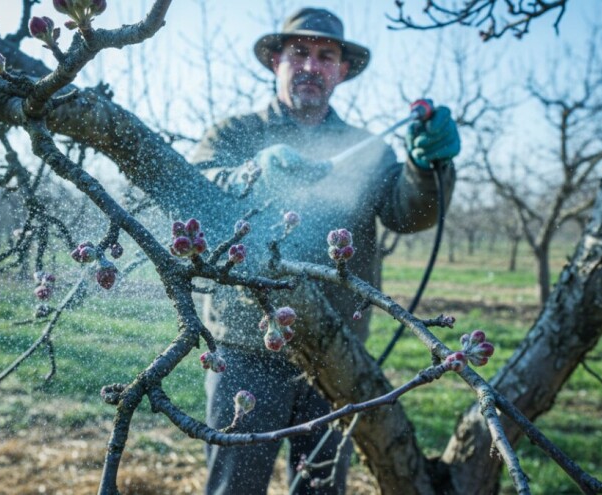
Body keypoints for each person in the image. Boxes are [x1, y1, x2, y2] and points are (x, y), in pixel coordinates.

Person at [190, 7, 460, 495]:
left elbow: (409, 213)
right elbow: (193, 193)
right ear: (276, 61)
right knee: (233, 486)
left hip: (337, 349)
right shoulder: (233, 135)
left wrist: (428, 167)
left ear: (341, 71)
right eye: (299, 52)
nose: (311, 65)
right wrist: (250, 174)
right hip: (246, 349)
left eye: (326, 55)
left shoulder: (369, 149)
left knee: (320, 489)